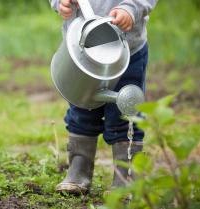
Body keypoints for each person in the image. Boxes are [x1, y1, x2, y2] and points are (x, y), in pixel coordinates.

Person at [49, 0, 158, 194]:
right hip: (81, 51)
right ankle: (78, 169)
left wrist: (131, 8)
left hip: (126, 51)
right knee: (81, 108)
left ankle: (127, 176)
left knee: (126, 113)